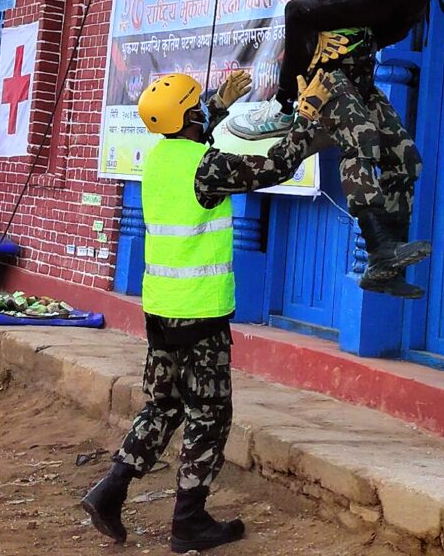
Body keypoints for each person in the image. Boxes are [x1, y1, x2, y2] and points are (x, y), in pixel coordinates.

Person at [79, 68, 331, 551]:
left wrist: (218, 105)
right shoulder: (206, 166)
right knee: (209, 416)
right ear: (193, 114)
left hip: (161, 310)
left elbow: (190, 137)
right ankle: (188, 521)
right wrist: (309, 117)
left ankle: (110, 490)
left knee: (163, 404)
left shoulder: (159, 158)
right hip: (201, 315)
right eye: (201, 104)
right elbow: (274, 167)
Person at [252, 0, 434, 299]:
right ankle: (378, 245)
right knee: (362, 141)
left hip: (361, 74)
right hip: (328, 75)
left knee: (406, 160)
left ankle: (387, 264)